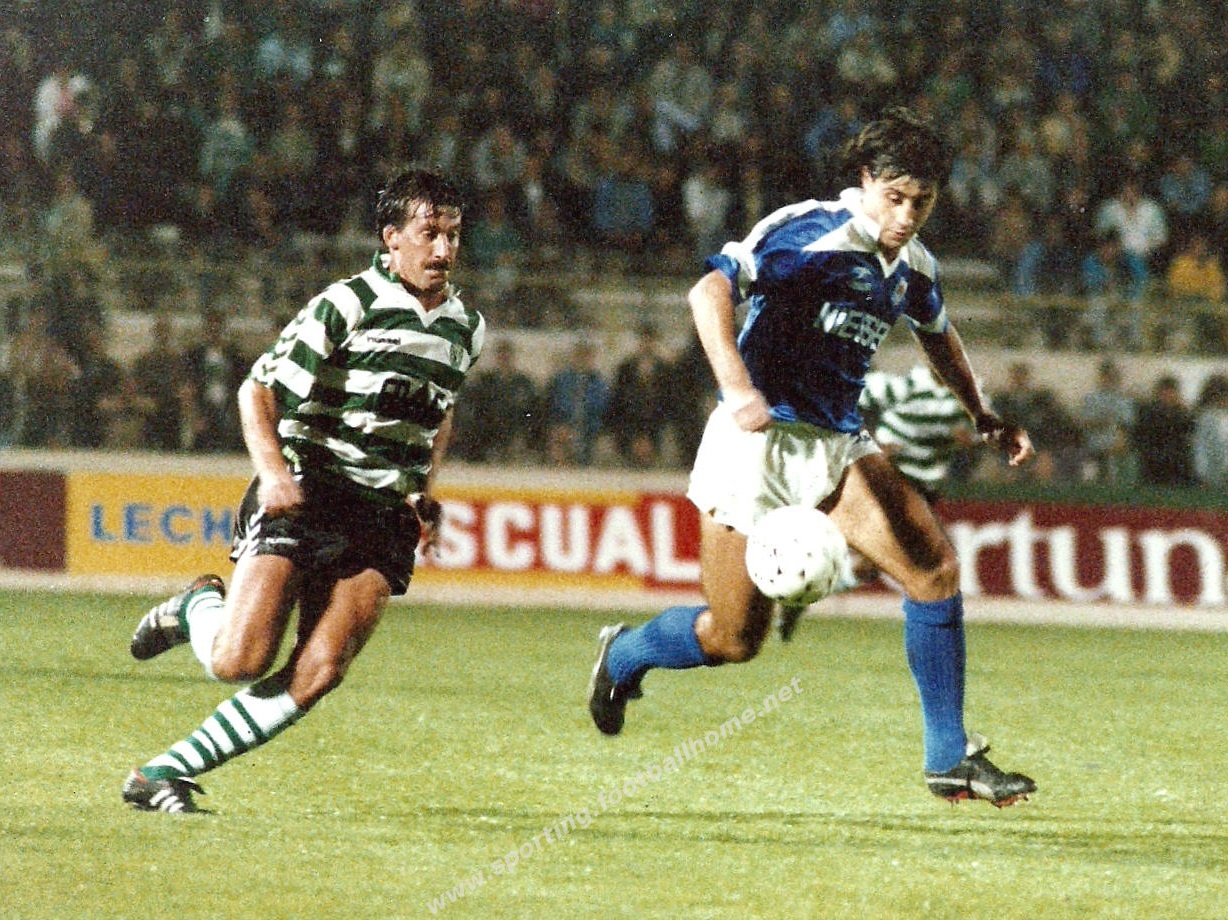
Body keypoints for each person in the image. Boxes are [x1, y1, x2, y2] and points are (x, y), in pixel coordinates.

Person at [587, 108, 1037, 807]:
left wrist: (982, 414)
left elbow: (938, 335)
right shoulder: (812, 230)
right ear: (867, 179)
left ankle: (949, 759)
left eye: (921, 202)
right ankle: (623, 655)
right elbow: (709, 291)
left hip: (836, 444)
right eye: (896, 197)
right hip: (756, 444)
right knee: (734, 639)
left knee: (934, 569)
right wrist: (738, 386)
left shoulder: (914, 265)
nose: (906, 215)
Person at [121, 166, 484, 813]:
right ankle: (197, 607)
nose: (443, 249)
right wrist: (274, 473)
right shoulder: (348, 304)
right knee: (239, 661)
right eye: (429, 233)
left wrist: (423, 490)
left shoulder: (466, 327)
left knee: (320, 670)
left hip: (381, 512)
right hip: (310, 488)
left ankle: (163, 773)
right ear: (391, 237)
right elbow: (257, 389)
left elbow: (441, 409)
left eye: (453, 235)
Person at [778, 364, 978, 642]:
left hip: (923, 489)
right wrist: (868, 443)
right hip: (887, 479)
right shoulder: (905, 386)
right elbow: (846, 399)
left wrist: (972, 440)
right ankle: (795, 589)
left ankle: (801, 596)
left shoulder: (969, 395)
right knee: (922, 560)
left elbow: (985, 433)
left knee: (872, 565)